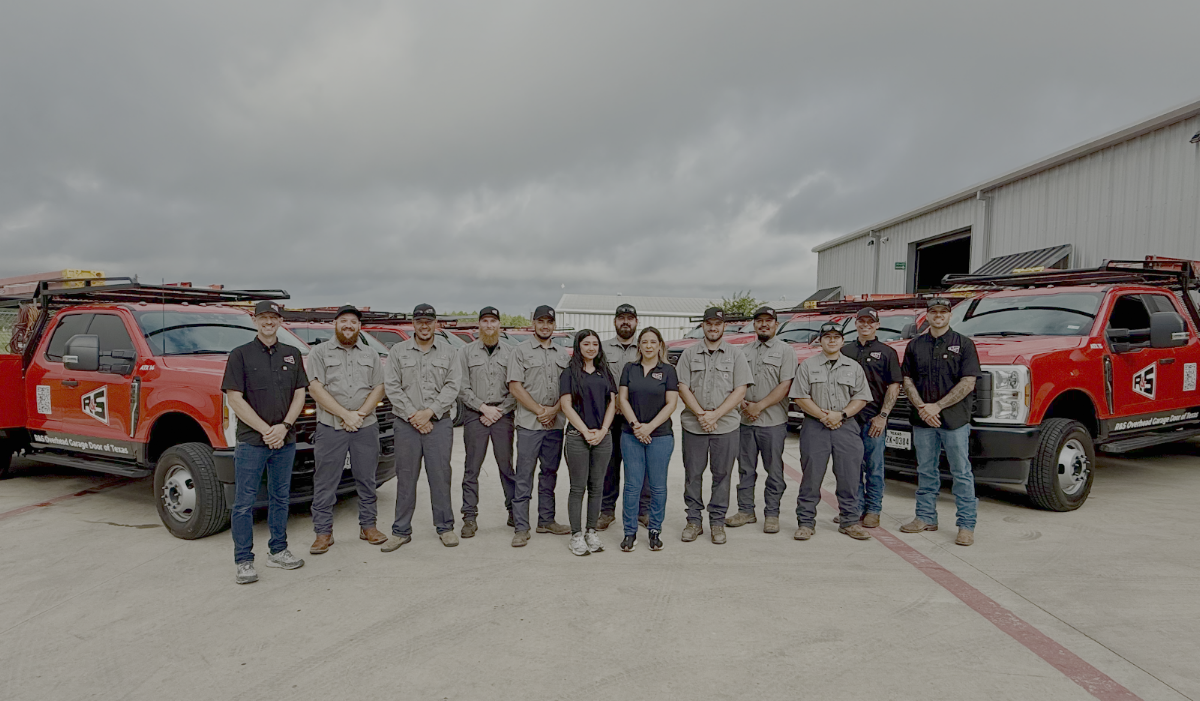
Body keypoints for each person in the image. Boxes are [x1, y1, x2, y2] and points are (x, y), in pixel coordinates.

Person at [221, 300, 308, 584]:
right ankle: (244, 560)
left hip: (285, 439)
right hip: (251, 442)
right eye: (264, 318)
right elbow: (234, 398)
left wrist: (283, 428)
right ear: (255, 321)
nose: (269, 322)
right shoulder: (240, 355)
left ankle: (278, 550)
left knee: (280, 497)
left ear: (281, 321)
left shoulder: (293, 354)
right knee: (244, 503)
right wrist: (266, 431)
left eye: (274, 317)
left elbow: (299, 395)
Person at [899, 297, 981, 546]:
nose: (938, 315)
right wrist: (923, 407)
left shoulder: (964, 345)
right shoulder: (915, 345)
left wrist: (938, 406)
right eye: (933, 311)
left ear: (949, 316)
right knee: (925, 470)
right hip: (923, 419)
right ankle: (925, 517)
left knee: (961, 472)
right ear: (927, 315)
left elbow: (968, 382)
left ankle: (966, 525)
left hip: (954, 420)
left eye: (943, 312)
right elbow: (907, 380)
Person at [306, 305, 388, 554]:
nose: (348, 325)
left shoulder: (371, 354)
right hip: (331, 427)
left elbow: (379, 387)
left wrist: (360, 414)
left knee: (367, 478)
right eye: (344, 321)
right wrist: (345, 415)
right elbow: (315, 388)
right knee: (325, 481)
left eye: (353, 321)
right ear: (336, 324)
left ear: (360, 326)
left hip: (366, 426)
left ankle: (368, 527)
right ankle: (323, 533)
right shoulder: (319, 352)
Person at [382, 303, 462, 550]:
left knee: (440, 477)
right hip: (406, 425)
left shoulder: (449, 352)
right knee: (406, 478)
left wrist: (429, 413)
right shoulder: (398, 351)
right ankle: (401, 531)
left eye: (429, 321)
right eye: (420, 321)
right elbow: (392, 386)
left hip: (439, 424)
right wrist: (414, 416)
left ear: (435, 323)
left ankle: (445, 527)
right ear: (413, 324)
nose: (424, 325)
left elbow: (452, 386)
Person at [675, 307, 753, 545]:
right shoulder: (689, 354)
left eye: (717, 324)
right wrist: (701, 414)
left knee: (722, 475)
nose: (712, 328)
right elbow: (682, 386)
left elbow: (741, 388)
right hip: (694, 425)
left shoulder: (736, 355)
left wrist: (716, 414)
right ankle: (694, 521)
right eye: (708, 323)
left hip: (726, 426)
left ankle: (717, 522)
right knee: (693, 474)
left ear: (723, 326)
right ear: (703, 326)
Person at [790, 322, 874, 541]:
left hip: (846, 426)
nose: (832, 340)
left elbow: (861, 397)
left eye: (836, 337)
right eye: (827, 337)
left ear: (842, 341)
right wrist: (823, 416)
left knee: (849, 476)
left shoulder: (853, 367)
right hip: (815, 426)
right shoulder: (808, 366)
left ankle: (849, 521)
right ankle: (806, 522)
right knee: (812, 476)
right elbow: (800, 396)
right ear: (820, 340)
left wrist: (841, 415)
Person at [727, 306, 797, 534]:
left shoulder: (786, 351)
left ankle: (772, 514)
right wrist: (743, 404)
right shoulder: (743, 351)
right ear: (754, 325)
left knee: (774, 470)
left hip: (772, 422)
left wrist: (759, 406)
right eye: (759, 321)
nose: (764, 324)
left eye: (769, 321)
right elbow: (735, 382)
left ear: (776, 324)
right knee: (745, 469)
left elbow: (785, 385)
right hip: (745, 421)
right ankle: (746, 510)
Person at [507, 305, 571, 546]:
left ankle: (546, 520)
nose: (545, 326)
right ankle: (522, 527)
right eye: (541, 321)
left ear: (554, 325)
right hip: (529, 424)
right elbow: (515, 386)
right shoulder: (520, 352)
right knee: (524, 475)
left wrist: (553, 411)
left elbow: (567, 388)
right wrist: (539, 411)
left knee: (550, 473)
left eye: (549, 322)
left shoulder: (562, 354)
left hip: (555, 424)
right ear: (533, 323)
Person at [457, 306, 518, 538]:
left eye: (493, 321)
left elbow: (516, 387)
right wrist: (483, 408)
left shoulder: (512, 353)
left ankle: (514, 512)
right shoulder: (466, 352)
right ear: (479, 325)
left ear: (499, 325)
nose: (489, 325)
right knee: (472, 468)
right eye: (485, 321)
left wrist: (499, 411)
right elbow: (461, 386)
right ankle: (469, 517)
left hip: (503, 415)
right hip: (476, 414)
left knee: (506, 467)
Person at [617, 327, 678, 553]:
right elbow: (622, 399)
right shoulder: (629, 369)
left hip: (660, 436)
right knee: (632, 486)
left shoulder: (668, 371)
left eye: (653, 341)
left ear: (660, 345)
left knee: (657, 486)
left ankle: (655, 531)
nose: (649, 346)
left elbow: (671, 403)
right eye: (645, 342)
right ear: (639, 346)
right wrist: (636, 426)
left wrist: (650, 427)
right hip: (630, 434)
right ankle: (629, 532)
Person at [840, 307, 901, 529]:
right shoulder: (844, 351)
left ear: (877, 325)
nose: (866, 325)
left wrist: (883, 416)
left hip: (873, 419)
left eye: (870, 322)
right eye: (861, 321)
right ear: (855, 324)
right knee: (851, 467)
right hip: (848, 419)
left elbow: (894, 385)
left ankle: (873, 510)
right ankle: (854, 508)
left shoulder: (887, 353)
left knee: (874, 466)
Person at [559, 329, 617, 556]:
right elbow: (566, 405)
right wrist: (585, 431)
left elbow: (612, 403)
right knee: (577, 487)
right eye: (586, 344)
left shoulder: (605, 373)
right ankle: (576, 534)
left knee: (597, 486)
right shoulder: (569, 373)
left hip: (603, 437)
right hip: (577, 437)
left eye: (595, 344)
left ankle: (591, 531)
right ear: (578, 347)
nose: (591, 347)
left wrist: (603, 430)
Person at [598, 303, 650, 531]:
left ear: (636, 322)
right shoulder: (602, 347)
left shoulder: (646, 347)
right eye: (621, 318)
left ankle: (643, 510)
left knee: (639, 465)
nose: (625, 322)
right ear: (615, 321)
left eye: (630, 318)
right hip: (608, 415)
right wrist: (614, 401)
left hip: (638, 416)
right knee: (608, 465)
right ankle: (606, 511)